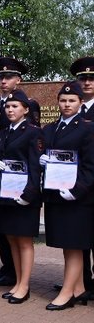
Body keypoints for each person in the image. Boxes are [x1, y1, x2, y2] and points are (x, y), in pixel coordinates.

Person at [0, 57, 41, 287]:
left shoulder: (29, 106)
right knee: (6, 229)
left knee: (20, 233)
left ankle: (18, 277)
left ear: (18, 80)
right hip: (4, 176)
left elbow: (32, 146)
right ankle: (7, 267)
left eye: (8, 76)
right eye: (0, 77)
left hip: (21, 177)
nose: (3, 80)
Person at [40, 81, 94, 310]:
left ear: (80, 103)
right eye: (63, 100)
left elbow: (91, 166)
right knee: (66, 244)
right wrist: (42, 160)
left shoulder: (88, 128)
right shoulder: (51, 128)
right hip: (56, 195)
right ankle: (79, 287)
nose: (66, 104)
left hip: (78, 199)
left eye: (72, 100)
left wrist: (76, 191)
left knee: (73, 246)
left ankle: (67, 293)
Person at [0, 89, 43, 304]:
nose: (10, 109)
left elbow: (35, 166)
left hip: (24, 196)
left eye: (15, 106)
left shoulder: (33, 132)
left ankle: (25, 285)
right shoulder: (4, 132)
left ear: (25, 109)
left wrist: (29, 194)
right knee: (12, 239)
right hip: (6, 195)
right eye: (8, 106)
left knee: (23, 241)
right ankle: (18, 282)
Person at [70, 57, 94, 295]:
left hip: (92, 183)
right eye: (82, 78)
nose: (87, 82)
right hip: (74, 186)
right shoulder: (72, 113)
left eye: (91, 78)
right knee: (79, 239)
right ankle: (81, 283)